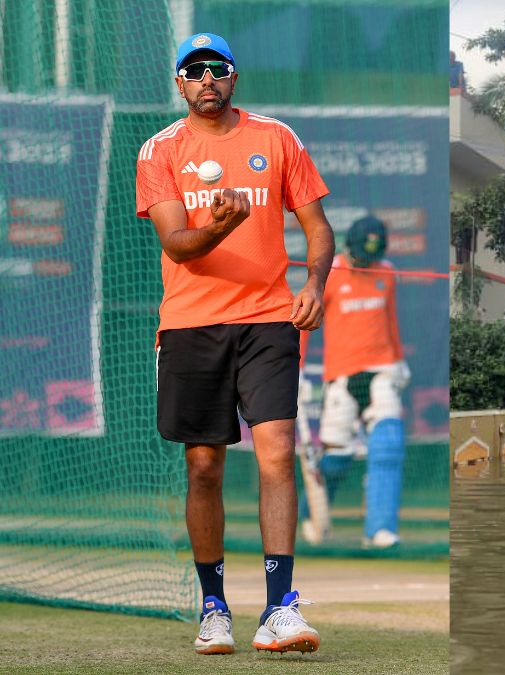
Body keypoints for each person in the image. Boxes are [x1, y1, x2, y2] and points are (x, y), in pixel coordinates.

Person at [136, 33, 333, 656]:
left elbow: (318, 227)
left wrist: (315, 283)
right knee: (204, 466)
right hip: (190, 324)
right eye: (193, 71)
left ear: (233, 76)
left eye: (216, 68)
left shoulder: (277, 138)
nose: (206, 79)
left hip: (268, 319)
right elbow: (178, 245)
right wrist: (219, 225)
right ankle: (214, 607)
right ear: (180, 83)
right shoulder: (160, 149)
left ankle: (279, 608)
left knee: (277, 453)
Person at [301, 215, 410, 549]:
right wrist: (297, 368)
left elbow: (391, 321)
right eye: (363, 254)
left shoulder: (386, 272)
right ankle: (312, 517)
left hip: (382, 370)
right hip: (342, 376)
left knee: (388, 445)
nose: (367, 260)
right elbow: (304, 320)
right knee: (336, 457)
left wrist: (399, 359)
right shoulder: (329, 273)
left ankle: (379, 530)